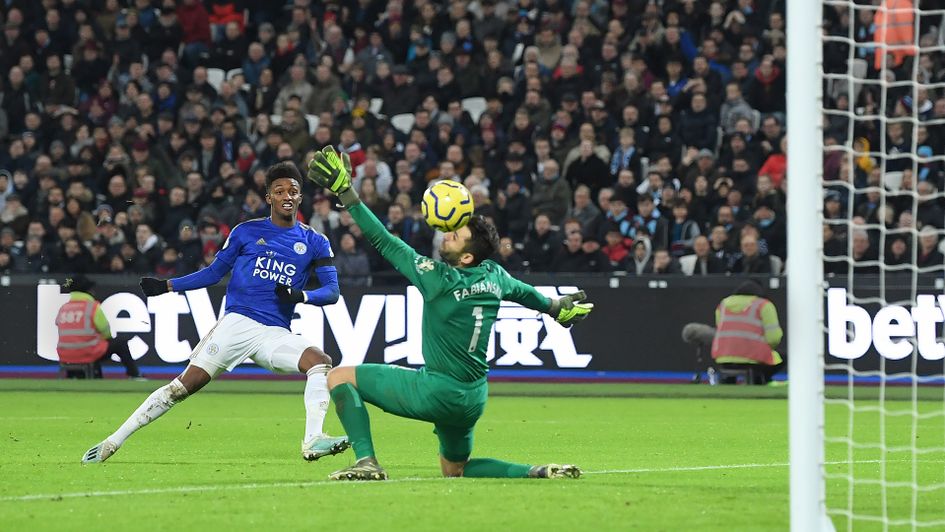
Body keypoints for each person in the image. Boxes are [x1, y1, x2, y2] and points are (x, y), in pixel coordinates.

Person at [308, 146, 592, 481]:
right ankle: (537, 471)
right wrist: (555, 307)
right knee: (455, 469)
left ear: (467, 257)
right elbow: (526, 294)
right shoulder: (495, 276)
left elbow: (384, 241)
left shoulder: (439, 280)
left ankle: (367, 462)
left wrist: (347, 192)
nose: (446, 235)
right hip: (473, 398)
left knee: (338, 377)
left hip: (437, 391)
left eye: (455, 236)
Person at [81, 162, 349, 464]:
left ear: (300, 197)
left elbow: (332, 292)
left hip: (274, 334)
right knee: (180, 388)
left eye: (293, 191)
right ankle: (112, 442)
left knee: (319, 362)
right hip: (237, 325)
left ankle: (313, 440)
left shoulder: (315, 241)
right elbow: (213, 273)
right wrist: (167, 285)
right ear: (269, 197)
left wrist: (302, 295)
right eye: (279, 191)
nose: (287, 196)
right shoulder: (246, 232)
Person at [55, 275, 143, 379]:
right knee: (120, 344)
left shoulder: (64, 308)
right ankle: (134, 375)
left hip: (65, 354)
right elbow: (106, 332)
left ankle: (76, 375)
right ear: (88, 290)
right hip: (87, 353)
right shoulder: (92, 307)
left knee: (95, 347)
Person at [711, 281, 784, 384]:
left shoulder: (723, 304)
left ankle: (728, 382)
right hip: (754, 359)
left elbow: (720, 328)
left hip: (724, 357)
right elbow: (774, 338)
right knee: (784, 357)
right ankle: (760, 382)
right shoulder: (764, 305)